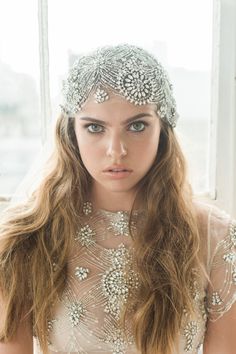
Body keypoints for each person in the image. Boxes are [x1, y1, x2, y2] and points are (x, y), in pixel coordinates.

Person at [0, 44, 235, 354]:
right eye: (95, 128)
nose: (116, 150)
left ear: (163, 129)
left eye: (137, 126)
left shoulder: (214, 237)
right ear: (72, 131)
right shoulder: (26, 240)